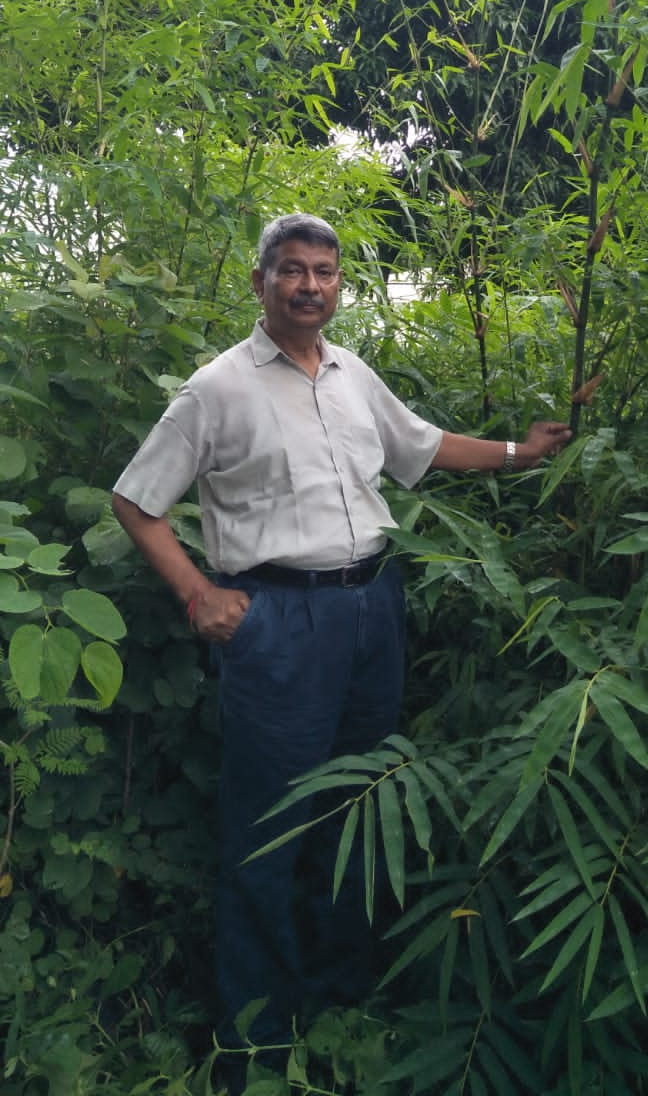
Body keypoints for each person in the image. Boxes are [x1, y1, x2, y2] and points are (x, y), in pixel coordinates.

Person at [111, 212, 570, 1082]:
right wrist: (199, 594)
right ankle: (255, 1036)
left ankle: (340, 997)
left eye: (324, 271)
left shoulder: (353, 375)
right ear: (261, 283)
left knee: (356, 810)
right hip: (279, 623)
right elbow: (136, 501)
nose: (310, 285)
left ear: (338, 284)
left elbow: (424, 448)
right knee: (269, 827)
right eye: (291, 270)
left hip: (370, 613)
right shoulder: (217, 389)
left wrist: (519, 452)